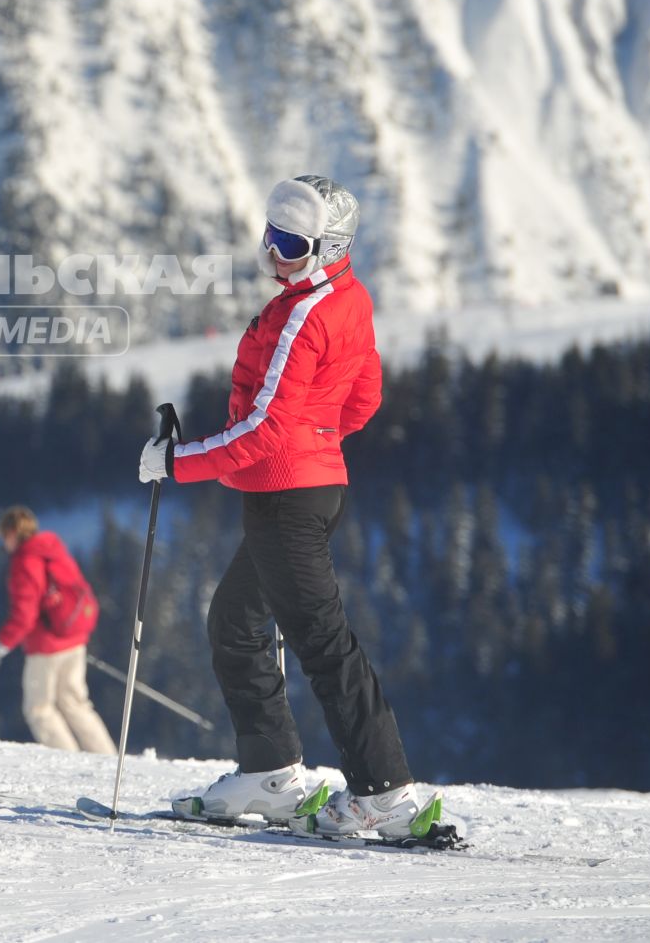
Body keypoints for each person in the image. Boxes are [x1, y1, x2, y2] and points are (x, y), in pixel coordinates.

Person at [138, 175, 432, 837]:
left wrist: (176, 462)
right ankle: (271, 772)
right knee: (236, 623)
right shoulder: (349, 298)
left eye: (292, 244)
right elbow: (363, 399)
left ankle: (385, 792)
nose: (275, 255)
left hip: (285, 496)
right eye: (270, 237)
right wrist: (319, 440)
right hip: (311, 488)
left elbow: (264, 430)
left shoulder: (303, 313)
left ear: (326, 247)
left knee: (322, 644)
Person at [0, 506, 116, 754]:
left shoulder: (25, 561)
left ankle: (69, 762)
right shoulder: (54, 550)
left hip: (45, 647)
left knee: (38, 708)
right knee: (75, 703)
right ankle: (107, 759)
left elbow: (24, 615)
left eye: (4, 535)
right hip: (74, 639)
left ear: (12, 533)